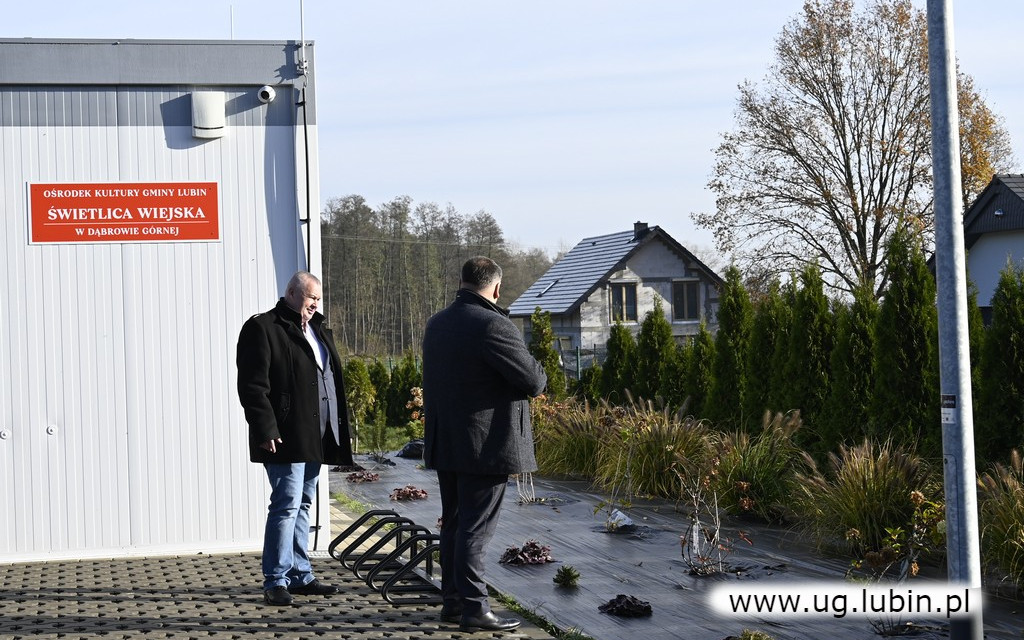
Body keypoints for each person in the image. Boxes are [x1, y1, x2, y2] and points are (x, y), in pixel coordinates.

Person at [421, 256, 547, 632]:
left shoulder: (437, 324)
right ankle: (475, 608)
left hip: (447, 442)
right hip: (485, 446)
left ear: (462, 283)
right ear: (495, 288)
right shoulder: (494, 324)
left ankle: (453, 603)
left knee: (454, 524)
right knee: (476, 529)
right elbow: (534, 381)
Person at [236, 270, 354, 606]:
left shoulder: (318, 330)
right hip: (285, 435)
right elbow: (253, 386)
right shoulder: (263, 328)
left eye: (318, 299)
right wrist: (265, 428)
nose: (315, 304)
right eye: (310, 297)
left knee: (303, 503)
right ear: (291, 292)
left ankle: (301, 575)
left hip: (316, 435)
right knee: (286, 505)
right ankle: (276, 579)